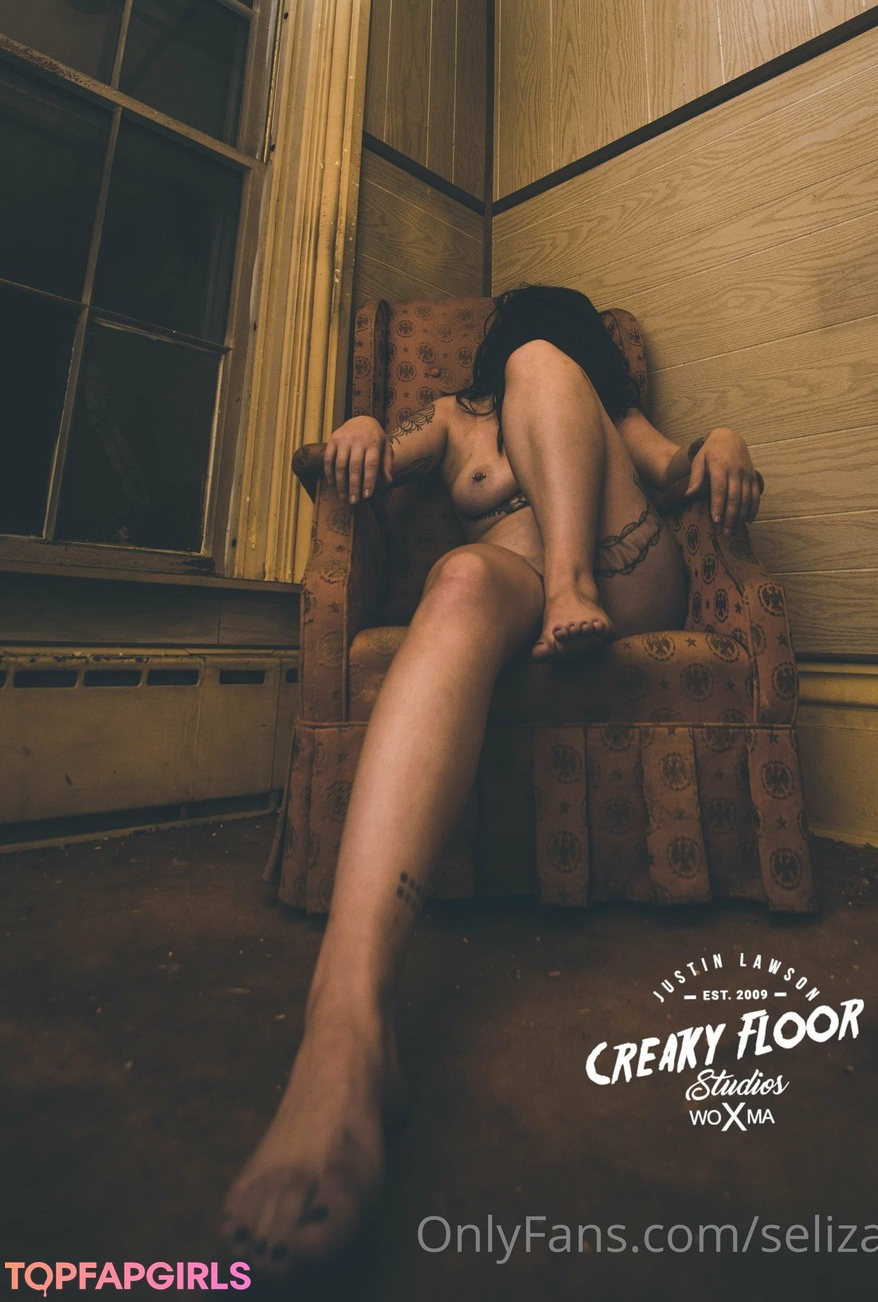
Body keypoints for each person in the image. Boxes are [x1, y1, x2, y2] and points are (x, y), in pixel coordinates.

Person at [221, 285, 764, 1273]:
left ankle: (572, 581)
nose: (537, 335)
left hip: (625, 576)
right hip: (510, 577)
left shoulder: (606, 409)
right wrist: (357, 428)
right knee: (460, 577)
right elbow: (366, 460)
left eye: (563, 327)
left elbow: (679, 470)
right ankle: (345, 1028)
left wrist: (722, 440)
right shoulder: (451, 419)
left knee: (541, 373)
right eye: (522, 321)